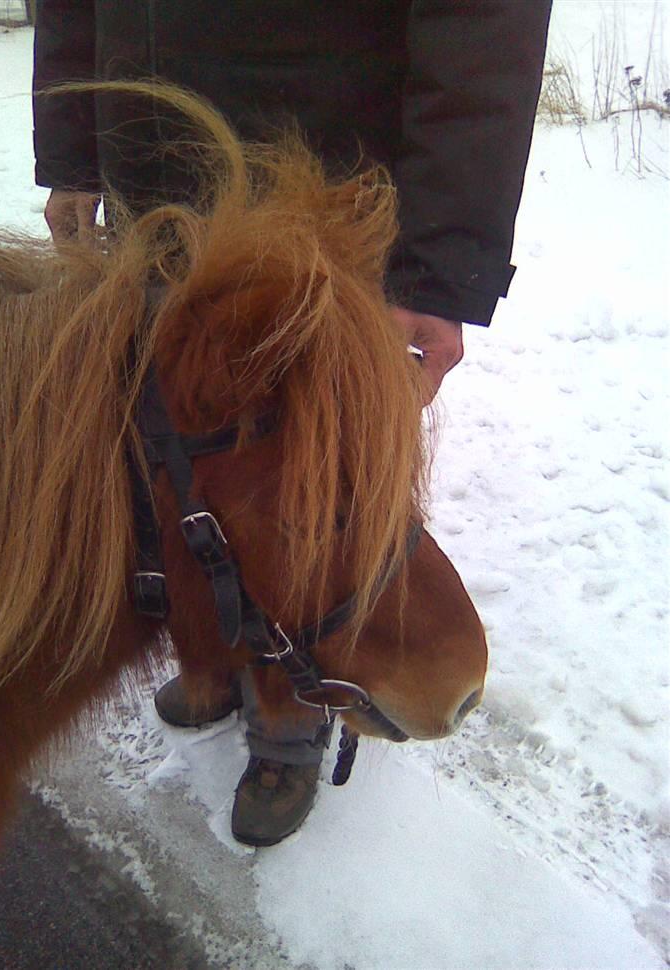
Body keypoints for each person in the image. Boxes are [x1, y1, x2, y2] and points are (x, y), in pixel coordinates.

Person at [33, 0, 551, 846]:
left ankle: (287, 717)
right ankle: (215, 660)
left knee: (304, 496)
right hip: (152, 178)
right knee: (183, 465)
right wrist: (73, 151)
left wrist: (440, 265)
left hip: (315, 184)